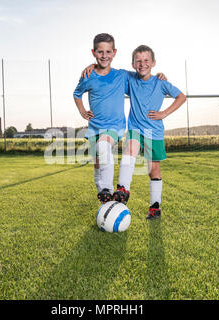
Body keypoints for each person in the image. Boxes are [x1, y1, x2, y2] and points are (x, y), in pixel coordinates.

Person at [114, 45, 187, 220]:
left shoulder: (161, 82)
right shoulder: (129, 79)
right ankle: (123, 189)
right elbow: (107, 71)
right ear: (133, 64)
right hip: (135, 128)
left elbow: (181, 97)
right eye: (138, 61)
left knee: (153, 170)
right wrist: (92, 67)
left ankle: (155, 207)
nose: (142, 64)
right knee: (130, 148)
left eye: (146, 60)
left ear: (153, 63)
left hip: (154, 132)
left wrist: (164, 113)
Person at [73, 33, 127, 204]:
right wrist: (82, 111)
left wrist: (160, 75)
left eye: (108, 52)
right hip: (95, 126)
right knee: (97, 163)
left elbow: (143, 76)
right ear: (93, 52)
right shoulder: (88, 75)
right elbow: (77, 94)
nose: (104, 56)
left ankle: (108, 191)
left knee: (103, 146)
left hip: (115, 125)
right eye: (100, 52)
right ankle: (104, 199)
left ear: (114, 52)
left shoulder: (121, 75)